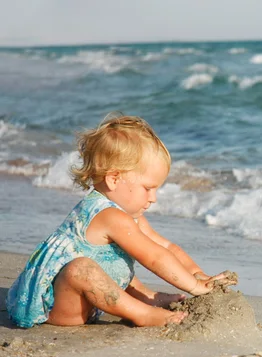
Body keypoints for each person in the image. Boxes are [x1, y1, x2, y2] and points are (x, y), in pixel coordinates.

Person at [6, 114, 235, 328]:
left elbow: (166, 247)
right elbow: (154, 258)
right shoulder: (109, 216)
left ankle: (148, 298)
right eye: (148, 188)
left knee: (116, 260)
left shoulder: (130, 216)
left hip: (94, 299)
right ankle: (142, 313)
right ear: (114, 179)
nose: (153, 198)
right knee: (81, 268)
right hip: (58, 307)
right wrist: (194, 288)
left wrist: (197, 275)